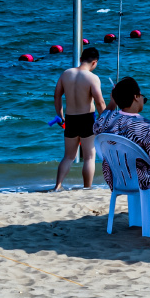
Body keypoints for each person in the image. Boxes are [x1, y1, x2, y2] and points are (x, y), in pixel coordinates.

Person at [94, 76, 150, 230]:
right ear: (136, 97)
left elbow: (97, 125)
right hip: (142, 180)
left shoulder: (107, 120)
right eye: (142, 96)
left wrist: (112, 102)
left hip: (116, 178)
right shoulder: (144, 125)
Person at [53, 46, 106, 190]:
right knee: (89, 156)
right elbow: (99, 102)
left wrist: (60, 115)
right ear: (94, 63)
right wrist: (106, 118)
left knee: (68, 156)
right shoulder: (92, 78)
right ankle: (87, 187)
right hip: (87, 119)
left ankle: (57, 186)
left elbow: (57, 95)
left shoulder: (66, 74)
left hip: (70, 119)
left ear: (81, 59)